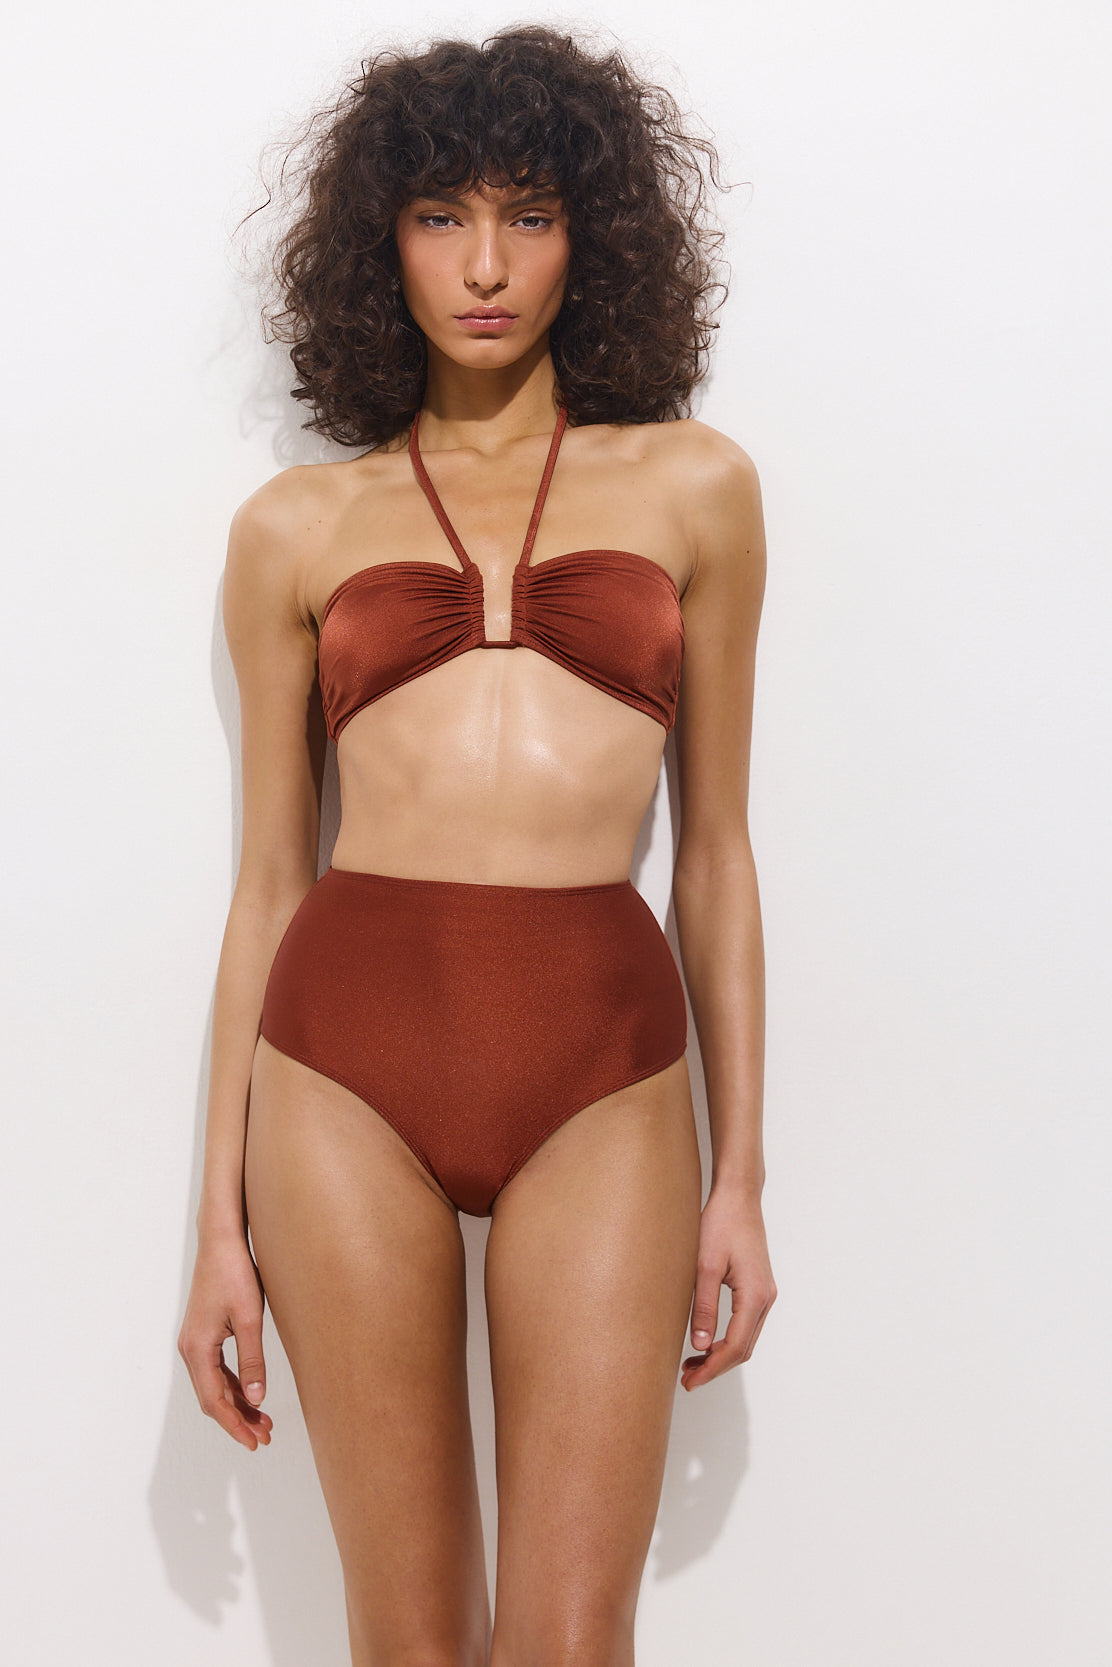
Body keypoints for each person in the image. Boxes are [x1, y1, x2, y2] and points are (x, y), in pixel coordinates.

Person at [178, 23, 776, 1666]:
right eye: (442, 217)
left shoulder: (698, 491)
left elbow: (716, 855)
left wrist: (742, 1176)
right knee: (409, 1643)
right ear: (381, 245)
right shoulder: (296, 526)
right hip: (341, 1063)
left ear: (597, 234)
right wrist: (216, 1226)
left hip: (604, 1059)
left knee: (573, 1642)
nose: (488, 266)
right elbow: (269, 882)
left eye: (531, 214)